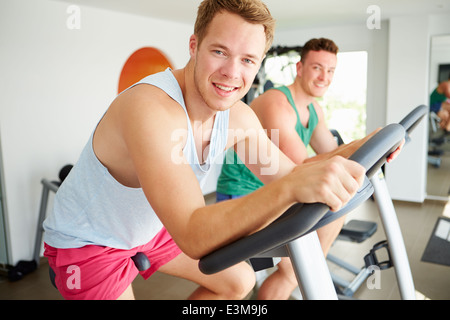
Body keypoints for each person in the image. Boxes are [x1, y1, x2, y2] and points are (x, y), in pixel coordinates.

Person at [43, 0, 397, 300]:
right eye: (219, 52)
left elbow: (291, 173)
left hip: (147, 228)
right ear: (194, 45)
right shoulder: (150, 109)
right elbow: (194, 233)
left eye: (247, 60)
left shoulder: (238, 117)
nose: (231, 73)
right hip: (90, 241)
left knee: (238, 282)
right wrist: (288, 189)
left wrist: (364, 145)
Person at [216, 38, 378, 299]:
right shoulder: (277, 103)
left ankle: (307, 270)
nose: (324, 76)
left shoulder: (314, 109)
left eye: (330, 70)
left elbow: (327, 152)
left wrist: (367, 150)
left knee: (333, 215)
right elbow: (299, 168)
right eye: (317, 68)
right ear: (300, 68)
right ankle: (299, 273)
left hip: (277, 191)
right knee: (292, 269)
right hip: (243, 194)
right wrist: (360, 144)